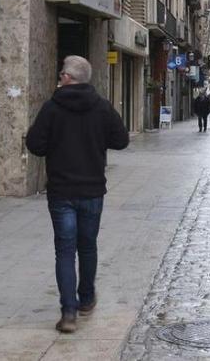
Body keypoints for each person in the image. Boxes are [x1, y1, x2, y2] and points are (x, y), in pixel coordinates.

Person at [25, 56, 129, 334]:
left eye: (61, 74)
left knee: (64, 250)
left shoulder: (51, 108)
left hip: (61, 191)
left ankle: (68, 312)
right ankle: (86, 299)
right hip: (93, 190)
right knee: (87, 246)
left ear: (67, 77)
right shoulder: (102, 107)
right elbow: (121, 140)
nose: (59, 78)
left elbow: (35, 145)